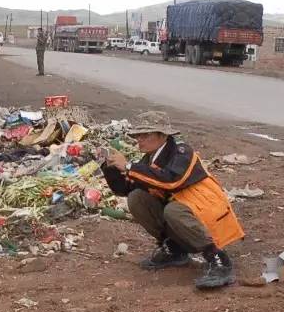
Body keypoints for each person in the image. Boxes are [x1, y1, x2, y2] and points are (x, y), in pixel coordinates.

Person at [101, 111, 243, 290]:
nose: (140, 140)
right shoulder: (150, 158)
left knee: (173, 210)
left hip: (208, 211)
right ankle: (174, 249)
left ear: (162, 135)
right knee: (137, 198)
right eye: (138, 136)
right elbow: (126, 189)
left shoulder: (182, 152)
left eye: (146, 135)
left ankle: (218, 259)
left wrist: (129, 166)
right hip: (187, 213)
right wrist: (111, 168)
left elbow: (170, 180)